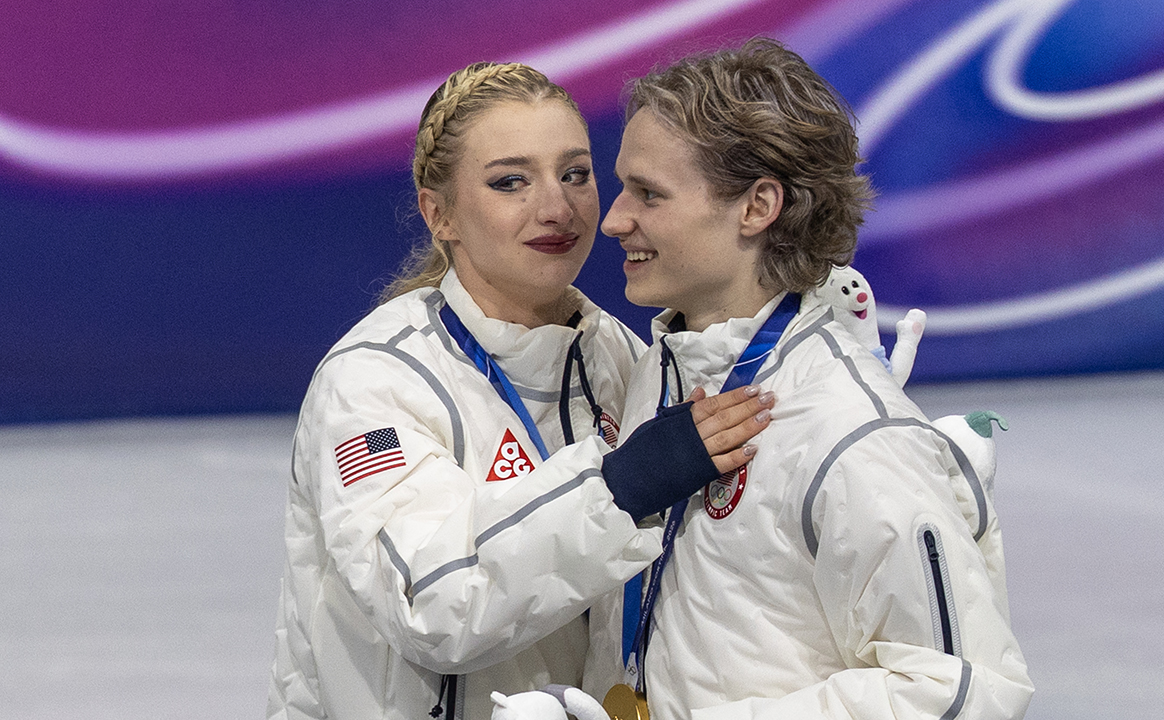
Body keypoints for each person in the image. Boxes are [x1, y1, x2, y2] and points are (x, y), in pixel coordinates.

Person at [266, 62, 776, 720]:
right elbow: (428, 601)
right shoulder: (374, 382)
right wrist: (621, 485)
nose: (557, 208)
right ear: (439, 213)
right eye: (511, 181)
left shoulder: (619, 358)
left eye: (575, 174)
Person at [583, 39, 1034, 720]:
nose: (614, 219)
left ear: (757, 206)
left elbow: (959, 693)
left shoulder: (850, 432)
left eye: (649, 193)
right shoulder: (663, 370)